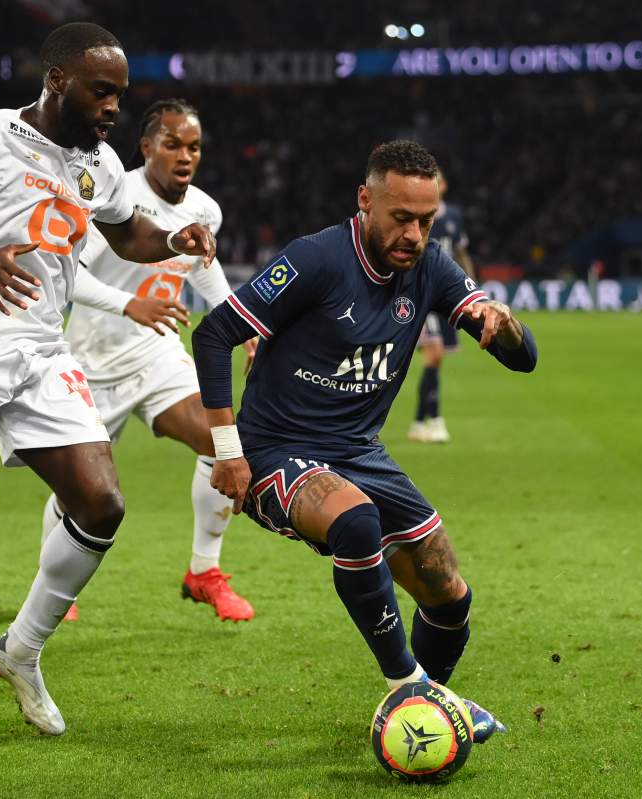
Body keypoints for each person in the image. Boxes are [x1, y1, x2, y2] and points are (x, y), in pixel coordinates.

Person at [0, 22, 216, 739]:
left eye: (120, 94)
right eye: (101, 90)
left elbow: (128, 236)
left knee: (102, 503)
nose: (113, 107)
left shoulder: (101, 164)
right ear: (58, 80)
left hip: (43, 353)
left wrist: (172, 240)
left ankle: (20, 650)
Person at [190, 140, 537, 740]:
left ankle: (424, 709)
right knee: (356, 522)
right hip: (275, 450)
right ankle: (409, 687)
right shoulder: (316, 259)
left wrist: (503, 326)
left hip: (359, 451)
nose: (414, 234)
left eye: (426, 220)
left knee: (449, 597)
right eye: (401, 217)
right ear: (365, 200)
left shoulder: (431, 266)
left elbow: (522, 358)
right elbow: (214, 334)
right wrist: (228, 452)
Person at [49, 99, 255, 622]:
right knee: (80, 489)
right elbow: (69, 274)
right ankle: (56, 588)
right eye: (173, 144)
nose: (185, 156)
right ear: (146, 147)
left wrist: (243, 324)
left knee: (220, 441)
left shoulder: (205, 210)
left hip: (157, 353)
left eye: (194, 147)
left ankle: (204, 571)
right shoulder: (115, 197)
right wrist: (130, 304)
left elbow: (200, 267)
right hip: (91, 363)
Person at [409, 169, 477, 444]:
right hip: (423, 294)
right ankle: (436, 420)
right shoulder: (417, 214)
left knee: (435, 361)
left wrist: (471, 287)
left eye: (438, 179)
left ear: (445, 185)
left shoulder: (454, 216)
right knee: (434, 354)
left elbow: (461, 252)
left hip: (445, 295)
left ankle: (418, 423)